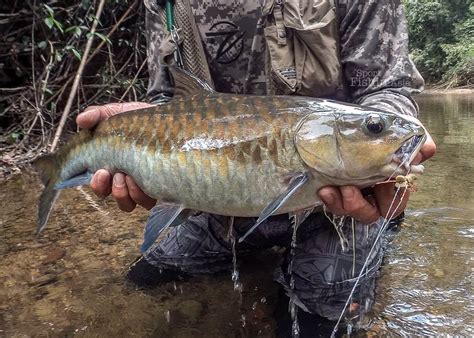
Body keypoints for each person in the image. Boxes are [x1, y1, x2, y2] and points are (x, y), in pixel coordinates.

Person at [77, 0, 437, 336]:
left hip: (340, 199)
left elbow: (388, 87)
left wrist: (388, 145)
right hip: (219, 198)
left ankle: (378, 231)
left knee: (317, 325)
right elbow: (168, 98)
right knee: (144, 279)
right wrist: (148, 134)